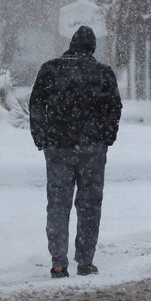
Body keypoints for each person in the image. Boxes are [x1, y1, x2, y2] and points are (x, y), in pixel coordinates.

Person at [30, 25, 123, 279]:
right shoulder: (103, 73)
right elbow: (114, 108)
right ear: (92, 49)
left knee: (58, 205)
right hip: (92, 149)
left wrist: (42, 138)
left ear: (71, 45)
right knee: (89, 205)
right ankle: (85, 260)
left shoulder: (50, 70)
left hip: (58, 147)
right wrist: (106, 137)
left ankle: (59, 262)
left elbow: (36, 104)